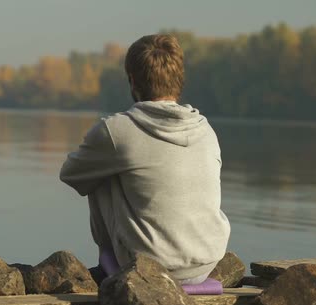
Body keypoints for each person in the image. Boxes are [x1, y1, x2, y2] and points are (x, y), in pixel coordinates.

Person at [59, 34, 230, 286]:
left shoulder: (116, 130)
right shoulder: (206, 130)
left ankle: (109, 265)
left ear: (132, 80)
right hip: (206, 263)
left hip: (149, 268)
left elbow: (71, 174)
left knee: (99, 172)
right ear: (179, 79)